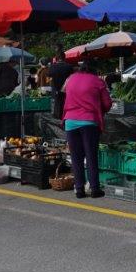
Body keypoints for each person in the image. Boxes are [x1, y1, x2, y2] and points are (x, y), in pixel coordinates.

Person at [61, 60, 112, 199]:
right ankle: (94, 188)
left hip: (70, 122)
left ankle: (79, 189)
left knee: (76, 157)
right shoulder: (97, 81)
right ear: (93, 71)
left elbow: (65, 94)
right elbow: (107, 103)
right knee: (91, 156)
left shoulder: (70, 79)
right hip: (89, 122)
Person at [47, 47, 75, 117]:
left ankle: (56, 117)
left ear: (57, 58)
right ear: (64, 57)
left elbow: (49, 76)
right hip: (66, 89)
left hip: (55, 89)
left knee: (56, 105)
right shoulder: (69, 67)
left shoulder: (52, 67)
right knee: (65, 104)